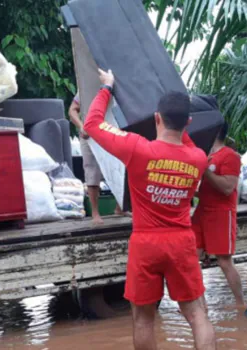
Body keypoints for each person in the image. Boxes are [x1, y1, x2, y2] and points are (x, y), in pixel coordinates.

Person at [83, 69, 216, 350]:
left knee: (143, 319)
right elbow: (186, 141)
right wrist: (182, 124)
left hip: (146, 244)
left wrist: (107, 88)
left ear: (157, 118)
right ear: (188, 123)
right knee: (197, 314)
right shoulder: (198, 159)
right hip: (181, 243)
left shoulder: (137, 149)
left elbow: (92, 124)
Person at [192, 122, 244, 306]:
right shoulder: (207, 156)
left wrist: (205, 170)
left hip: (221, 214)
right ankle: (200, 304)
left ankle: (240, 304)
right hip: (201, 212)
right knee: (191, 258)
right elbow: (206, 189)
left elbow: (228, 188)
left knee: (224, 262)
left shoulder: (230, 156)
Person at [69, 91, 127, 224]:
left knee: (119, 167)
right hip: (89, 133)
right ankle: (95, 212)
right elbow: (72, 110)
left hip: (110, 131)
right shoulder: (85, 87)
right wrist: (81, 126)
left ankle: (120, 207)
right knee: (92, 171)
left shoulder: (116, 88)